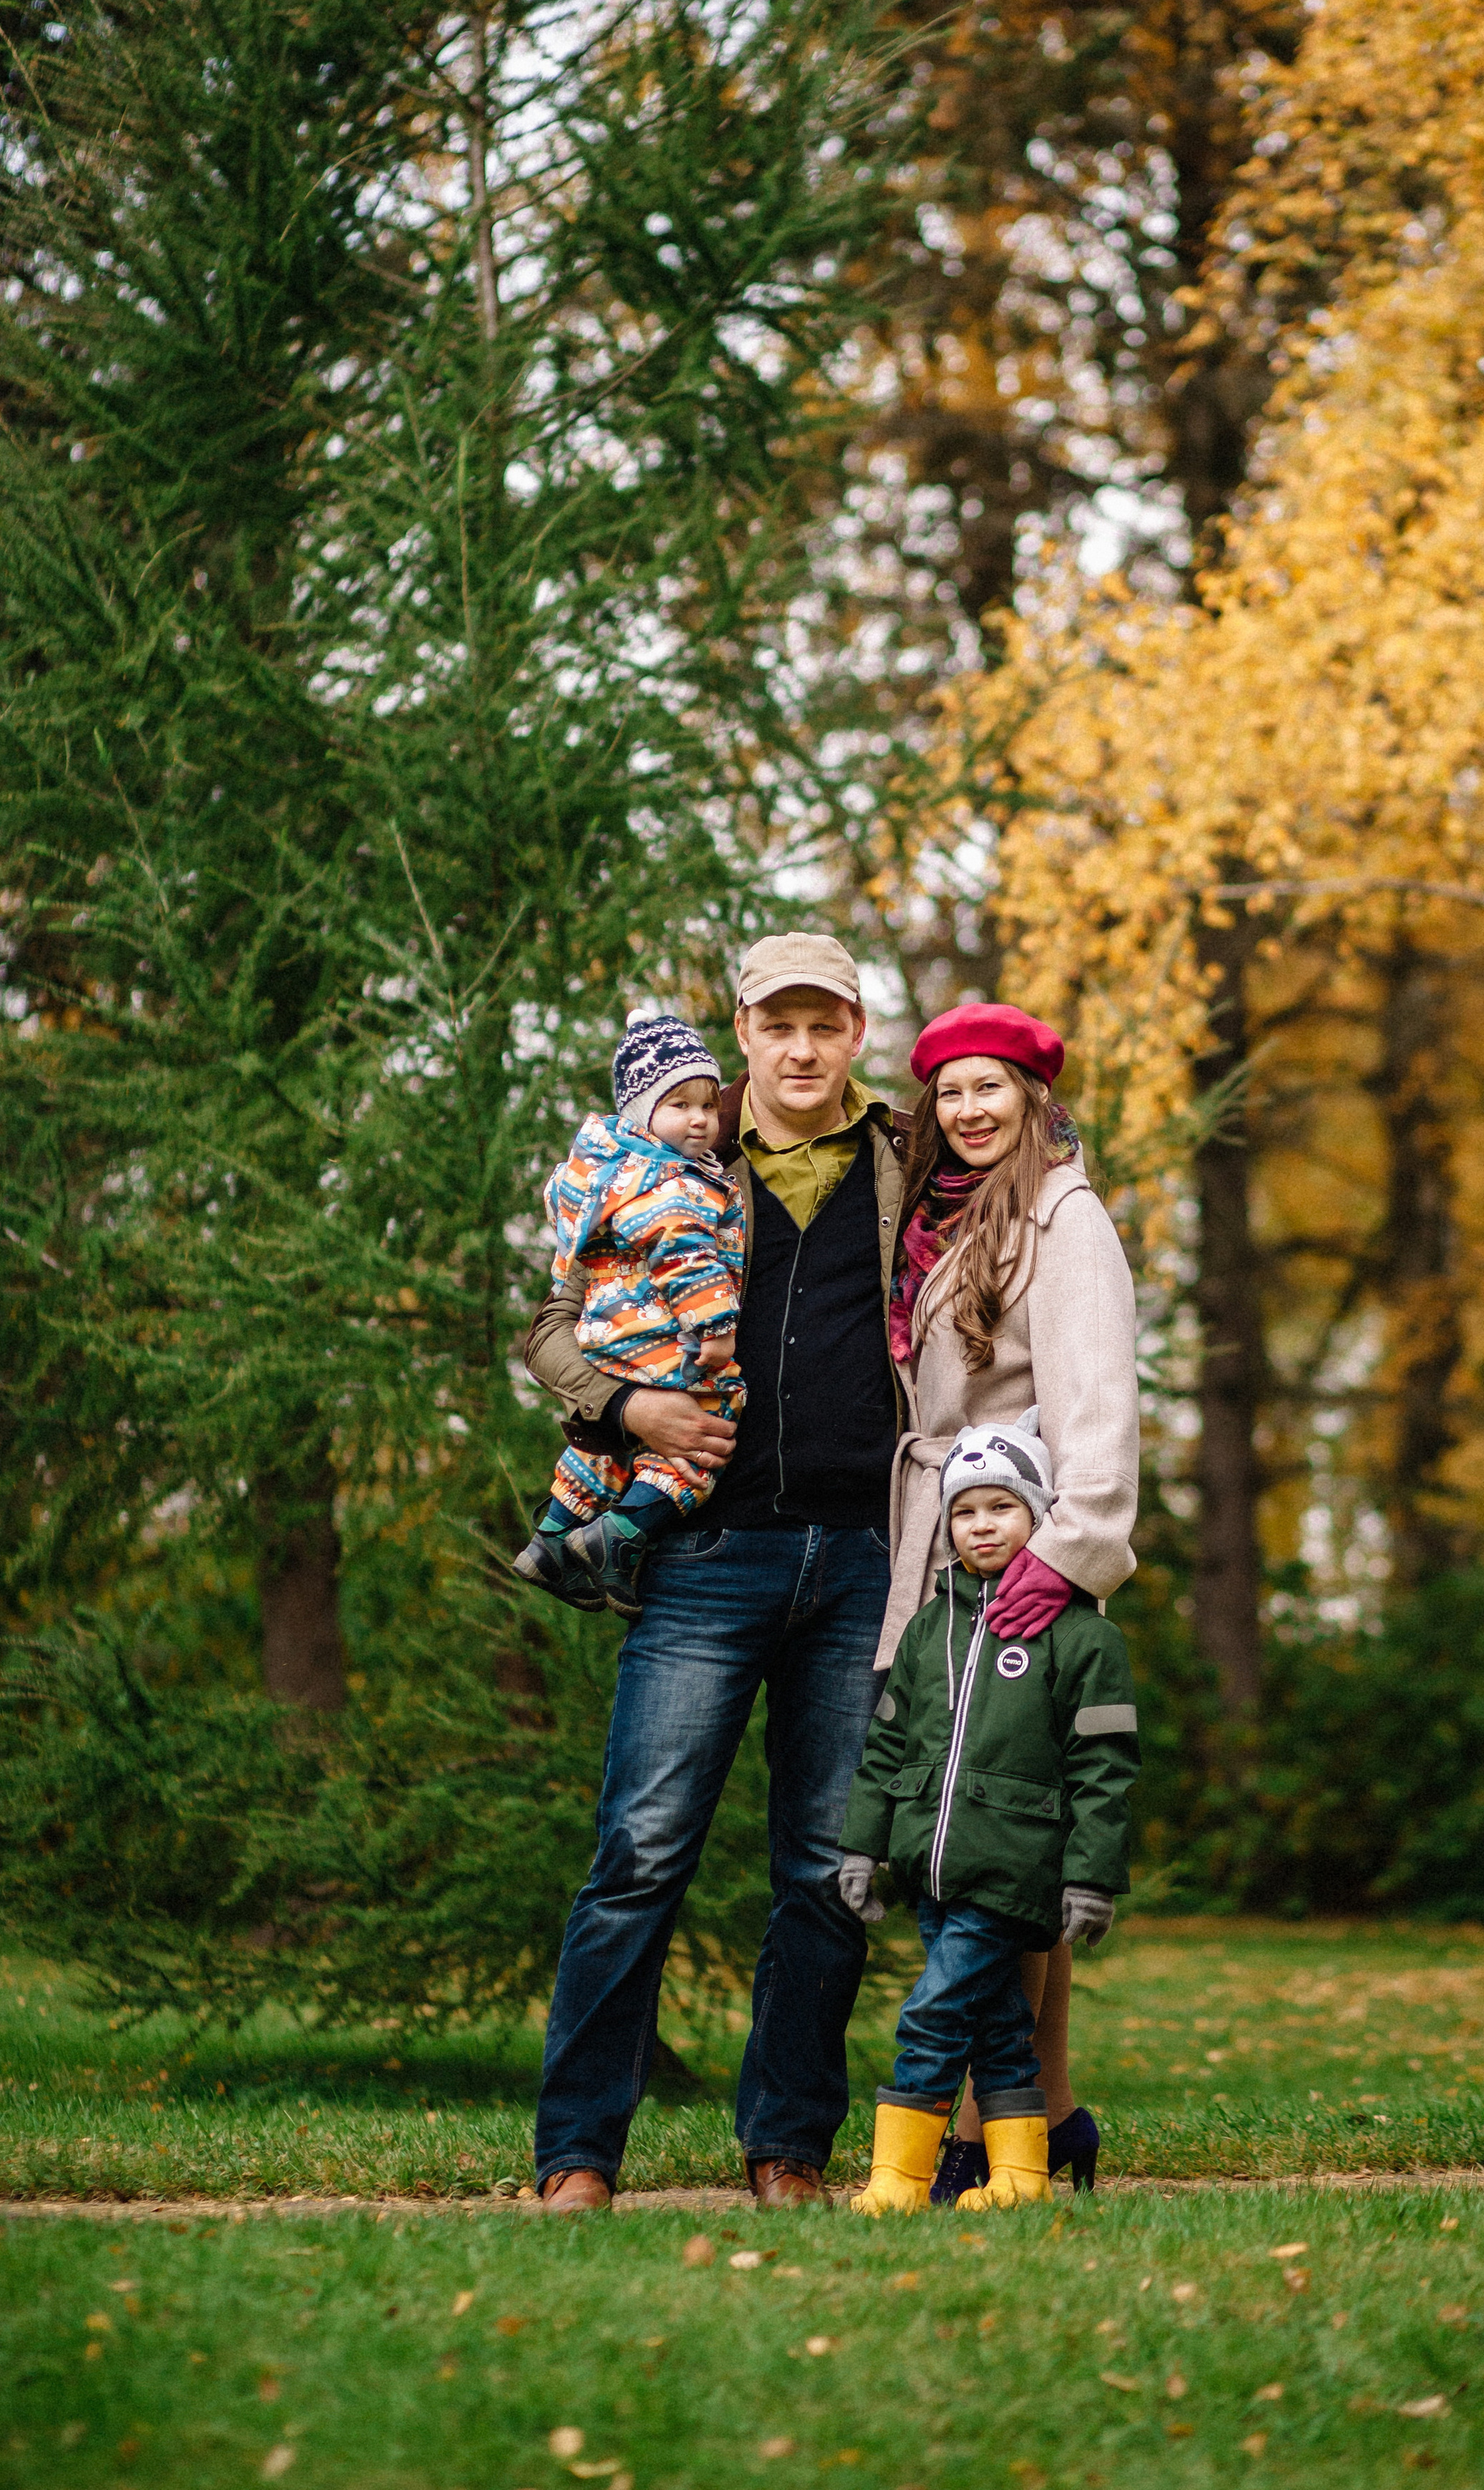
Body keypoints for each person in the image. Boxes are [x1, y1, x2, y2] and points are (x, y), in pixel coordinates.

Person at [521, 933, 909, 2212]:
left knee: (824, 1868)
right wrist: (625, 1411)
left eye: (826, 1026)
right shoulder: (674, 1143)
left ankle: (786, 2146)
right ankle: (578, 2154)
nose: (801, 1051)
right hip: (705, 1553)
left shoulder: (908, 1159)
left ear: (856, 1031)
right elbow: (546, 1321)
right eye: (777, 1026)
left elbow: (1024, 1145)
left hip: (861, 1558)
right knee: (639, 1852)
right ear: (743, 1030)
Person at [884, 999, 1140, 2199]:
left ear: (1038, 1099)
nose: (971, 1110)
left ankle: (999, 2133)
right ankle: (1049, 2119)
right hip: (956, 1562)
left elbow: (1099, 1411)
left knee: (998, 1862)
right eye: (951, 1092)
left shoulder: (1066, 1221)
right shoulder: (963, 1220)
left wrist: (1065, 1557)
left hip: (1018, 1566)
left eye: (992, 1088)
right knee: (998, 1861)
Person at [839, 1414, 1138, 2214]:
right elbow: (886, 1746)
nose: (981, 1526)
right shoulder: (928, 1628)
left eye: (1000, 1508)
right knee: (1000, 2026)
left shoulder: (1080, 1639)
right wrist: (862, 1848)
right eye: (964, 1512)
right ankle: (1019, 2176)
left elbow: (1105, 1771)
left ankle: (896, 2180)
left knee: (933, 2012)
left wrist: (1092, 1879)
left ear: (1039, 1518)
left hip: (1017, 1866)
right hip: (932, 1870)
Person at [512, 1013, 745, 1619]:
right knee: (708, 1428)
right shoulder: (675, 1182)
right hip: (662, 1336)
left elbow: (575, 1263)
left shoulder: (599, 1176)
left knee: (606, 1450)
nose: (700, 1120)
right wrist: (716, 1332)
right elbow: (686, 1256)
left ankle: (553, 1539)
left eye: (708, 1106)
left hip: (608, 1339)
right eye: (680, 1106)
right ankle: (621, 1536)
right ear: (641, 1114)